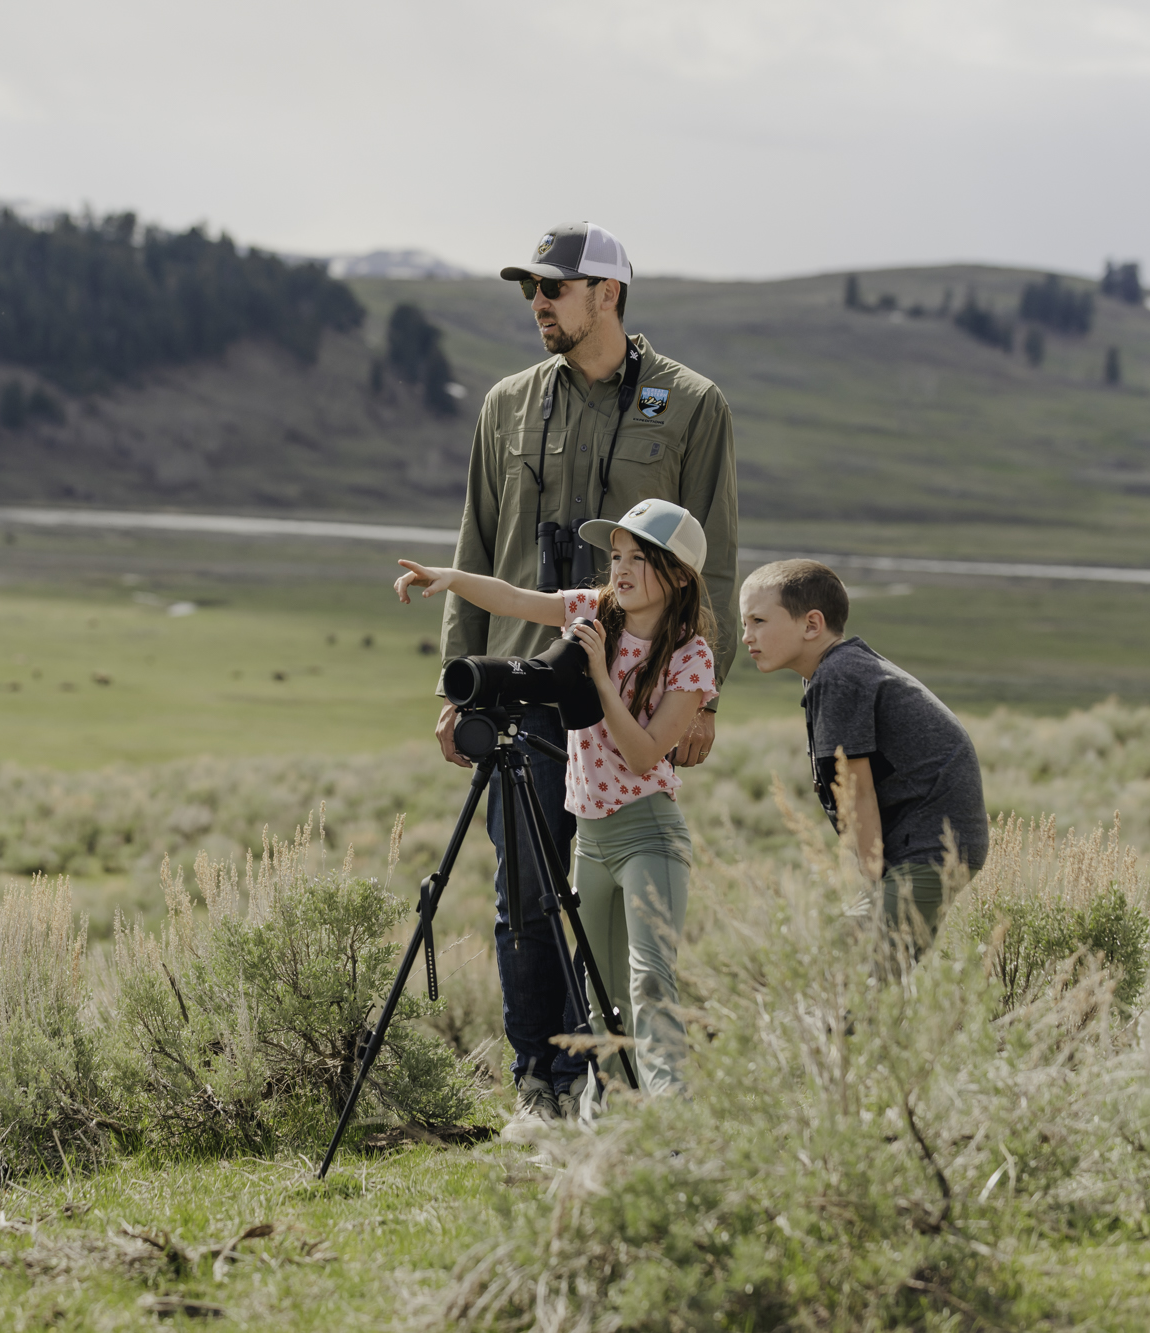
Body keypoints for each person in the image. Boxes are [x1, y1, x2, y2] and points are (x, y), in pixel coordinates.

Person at [434, 221, 738, 1122]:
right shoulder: (506, 404)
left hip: (635, 696)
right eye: (531, 287)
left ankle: (620, 1088)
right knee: (526, 898)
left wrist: (704, 698)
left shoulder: (693, 404)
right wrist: (455, 682)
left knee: (616, 906)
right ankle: (542, 1084)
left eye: (554, 287)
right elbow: (475, 543)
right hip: (526, 685)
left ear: (608, 293)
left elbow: (716, 563)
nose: (537, 301)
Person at [399, 497, 717, 1114]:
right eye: (616, 556)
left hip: (648, 834)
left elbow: (643, 754)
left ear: (679, 576)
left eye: (639, 558)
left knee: (651, 983)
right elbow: (514, 600)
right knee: (600, 997)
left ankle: (672, 1122)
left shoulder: (690, 656)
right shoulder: (595, 612)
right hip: (592, 842)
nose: (620, 570)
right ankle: (607, 1121)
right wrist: (451, 578)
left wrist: (596, 675)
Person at [738, 559, 989, 941]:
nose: (746, 636)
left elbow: (857, 793)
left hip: (929, 849)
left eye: (758, 621)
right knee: (854, 959)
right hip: (927, 846)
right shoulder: (837, 671)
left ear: (812, 625)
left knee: (861, 964)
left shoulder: (839, 676)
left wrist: (869, 887)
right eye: (744, 623)